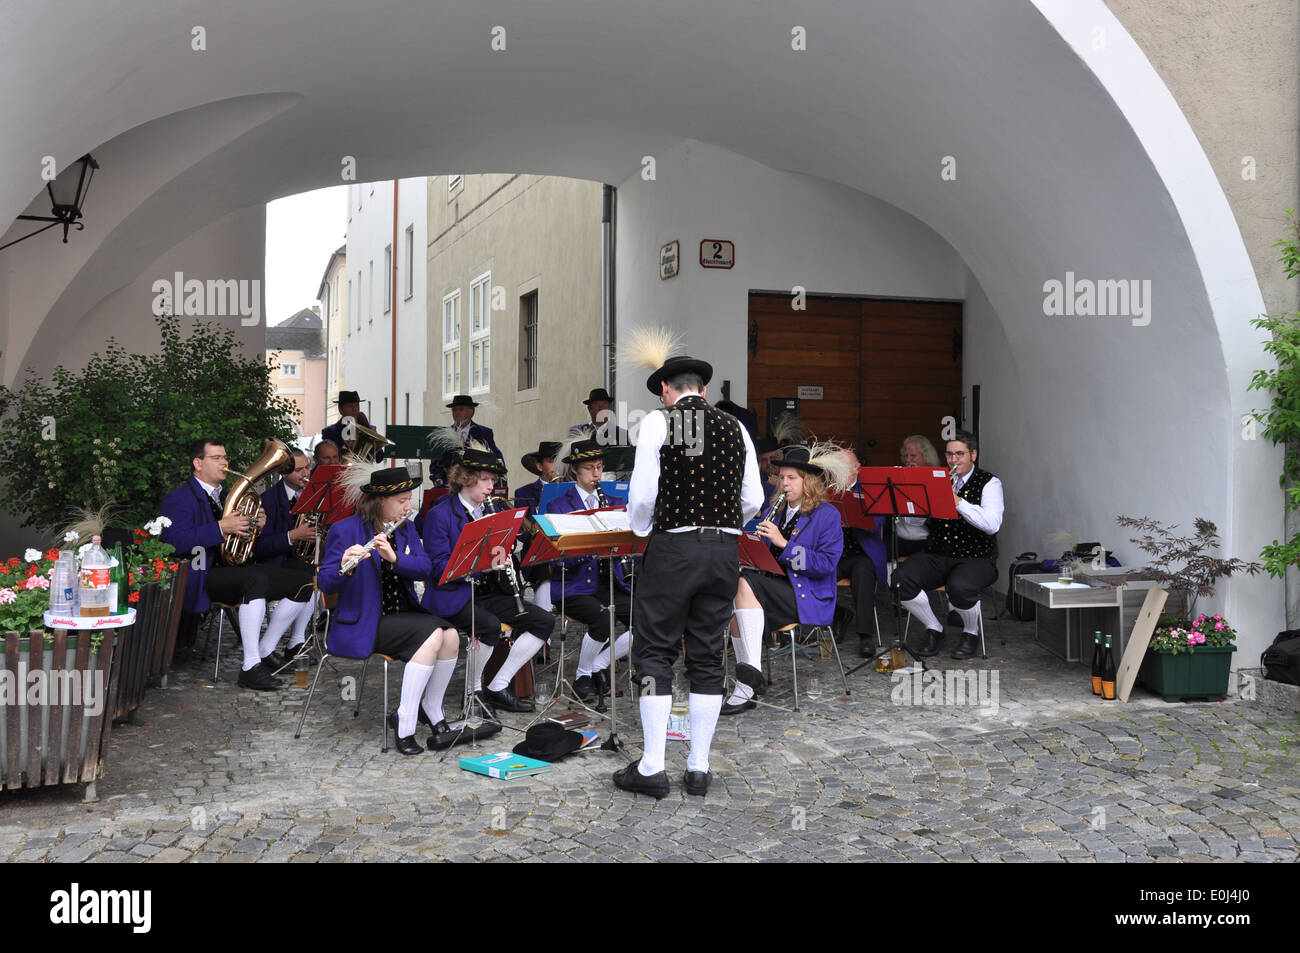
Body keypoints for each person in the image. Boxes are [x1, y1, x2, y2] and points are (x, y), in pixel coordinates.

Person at [615, 333, 764, 799]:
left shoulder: (660, 423)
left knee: (656, 650)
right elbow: (754, 499)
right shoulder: (735, 428)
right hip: (724, 552)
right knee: (705, 653)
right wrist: (720, 525)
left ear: (666, 390)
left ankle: (653, 767)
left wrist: (644, 529)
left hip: (674, 550)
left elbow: (642, 496)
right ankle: (698, 768)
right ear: (700, 387)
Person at [317, 467, 461, 754]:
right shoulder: (345, 530)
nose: (408, 507)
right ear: (380, 500)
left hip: (402, 615)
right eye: (402, 501)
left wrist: (395, 559)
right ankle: (405, 723)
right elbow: (325, 582)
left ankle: (431, 708)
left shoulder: (405, 529)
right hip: (364, 622)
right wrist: (345, 567)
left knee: (452, 635)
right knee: (433, 634)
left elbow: (426, 568)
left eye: (409, 499)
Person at [160, 438, 313, 690]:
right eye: (217, 458)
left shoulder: (228, 495)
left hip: (232, 568)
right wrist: (221, 527)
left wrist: (256, 527)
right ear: (198, 464)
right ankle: (250, 667)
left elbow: (241, 544)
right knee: (255, 581)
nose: (225, 462)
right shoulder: (179, 498)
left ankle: (265, 650)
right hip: (202, 573)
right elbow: (175, 541)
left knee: (304, 580)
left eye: (225, 457)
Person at [421, 448, 554, 714]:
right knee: (489, 627)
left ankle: (497, 686)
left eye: (493, 480)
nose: (491, 487)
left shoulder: (492, 510)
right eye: (485, 479)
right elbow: (436, 566)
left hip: (489, 592)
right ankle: (473, 692)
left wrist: (507, 553)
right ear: (466, 478)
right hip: (454, 593)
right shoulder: (440, 514)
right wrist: (479, 562)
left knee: (544, 621)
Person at [725, 443, 846, 714]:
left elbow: (825, 565)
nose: (785, 483)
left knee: (745, 584)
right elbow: (765, 561)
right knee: (736, 588)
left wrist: (783, 544)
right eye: (782, 478)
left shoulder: (827, 515)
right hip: (774, 590)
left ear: (809, 481)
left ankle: (749, 678)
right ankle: (747, 682)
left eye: (792, 478)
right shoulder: (777, 512)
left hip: (807, 594)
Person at [893, 430, 1003, 660]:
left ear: (973, 455)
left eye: (960, 454)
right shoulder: (939, 479)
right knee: (900, 580)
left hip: (977, 557)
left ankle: (970, 632)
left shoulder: (990, 483)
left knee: (960, 587)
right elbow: (918, 522)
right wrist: (909, 501)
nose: (953, 460)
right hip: (938, 553)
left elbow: (992, 524)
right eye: (950, 455)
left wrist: (958, 502)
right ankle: (934, 628)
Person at [544, 439, 635, 703]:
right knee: (602, 619)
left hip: (612, 579)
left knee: (649, 618)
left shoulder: (615, 501)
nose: (596, 474)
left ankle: (599, 664)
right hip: (574, 583)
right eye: (588, 468)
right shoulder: (558, 506)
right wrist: (592, 545)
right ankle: (583, 674)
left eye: (599, 467)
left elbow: (629, 543)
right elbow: (558, 557)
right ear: (574, 470)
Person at [251, 449, 319, 664]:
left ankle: (296, 643)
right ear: (284, 472)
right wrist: (293, 536)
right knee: (306, 578)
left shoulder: (314, 495)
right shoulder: (267, 500)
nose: (305, 473)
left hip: (299, 561)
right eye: (299, 470)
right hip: (273, 563)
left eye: (307, 467)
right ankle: (268, 648)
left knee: (317, 575)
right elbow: (259, 547)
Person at [836, 450, 887, 657]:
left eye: (842, 468)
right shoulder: (829, 490)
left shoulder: (872, 489)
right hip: (836, 553)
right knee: (811, 570)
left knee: (863, 573)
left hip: (862, 553)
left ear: (856, 469)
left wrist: (851, 515)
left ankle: (865, 636)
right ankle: (838, 614)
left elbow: (877, 524)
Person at [514, 440, 561, 611]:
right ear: (540, 466)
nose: (556, 466)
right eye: (551, 461)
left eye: (559, 461)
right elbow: (525, 535)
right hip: (538, 556)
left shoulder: (571, 490)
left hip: (565, 551)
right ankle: (544, 615)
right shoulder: (523, 493)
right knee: (544, 567)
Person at [426, 395, 507, 488]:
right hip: (450, 485)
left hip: (477, 484)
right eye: (454, 410)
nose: (456, 413)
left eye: (460, 409)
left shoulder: (485, 433)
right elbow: (436, 463)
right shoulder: (445, 435)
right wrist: (438, 478)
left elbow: (494, 458)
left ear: (471, 412)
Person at [888, 434, 942, 557]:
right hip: (898, 538)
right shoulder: (900, 476)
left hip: (925, 540)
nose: (908, 460)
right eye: (906, 456)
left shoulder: (935, 478)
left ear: (926, 456)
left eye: (913, 456)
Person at [320, 391, 385, 462]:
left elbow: (379, 458)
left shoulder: (369, 428)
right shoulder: (330, 432)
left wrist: (375, 442)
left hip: (363, 471)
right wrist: (346, 446)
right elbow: (328, 459)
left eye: (357, 405)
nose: (354, 409)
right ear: (340, 409)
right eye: (350, 406)